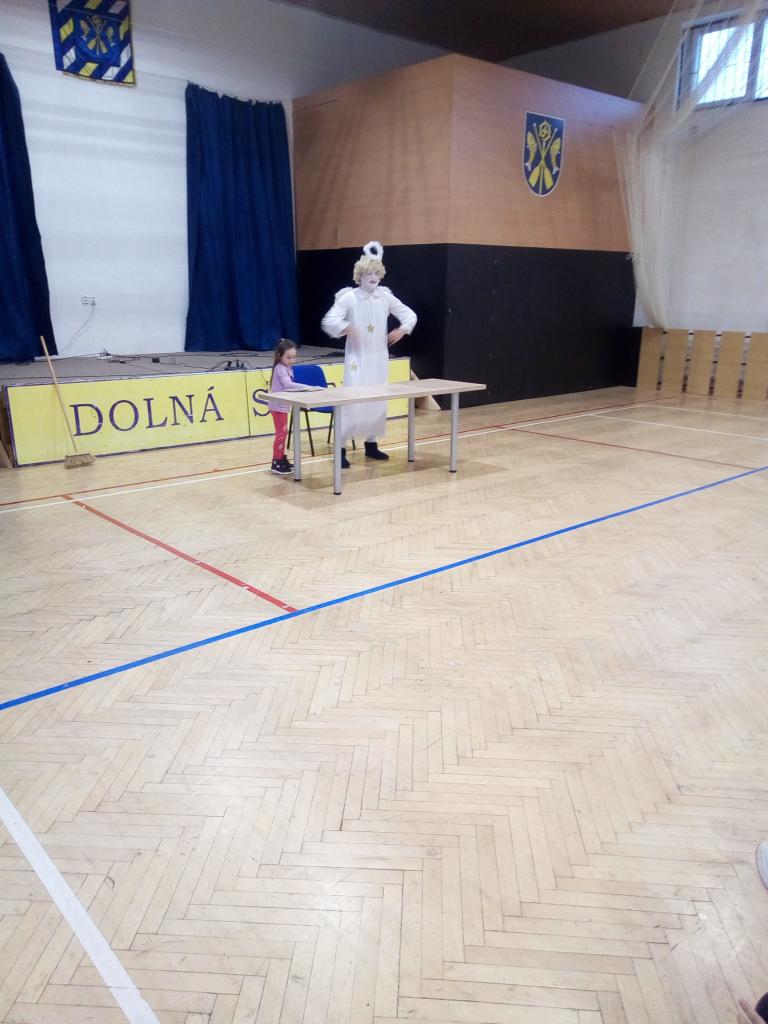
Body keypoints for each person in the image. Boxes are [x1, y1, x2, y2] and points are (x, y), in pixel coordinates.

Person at [321, 241, 416, 469]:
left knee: (377, 401)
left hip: (378, 359)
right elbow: (329, 320)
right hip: (357, 359)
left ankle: (371, 444)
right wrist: (346, 327)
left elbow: (410, 315)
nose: (373, 277)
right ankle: (341, 449)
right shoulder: (350, 297)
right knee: (351, 402)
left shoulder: (385, 297)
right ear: (360, 276)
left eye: (376, 273)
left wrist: (403, 329)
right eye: (369, 273)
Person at [267, 339, 313, 476]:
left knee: (283, 433)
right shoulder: (279, 368)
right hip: (277, 406)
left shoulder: (287, 367)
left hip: (283, 405)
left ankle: (281, 458)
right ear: (279, 356)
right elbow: (287, 384)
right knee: (281, 434)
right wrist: (306, 387)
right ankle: (276, 461)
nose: (292, 360)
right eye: (288, 357)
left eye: (294, 357)